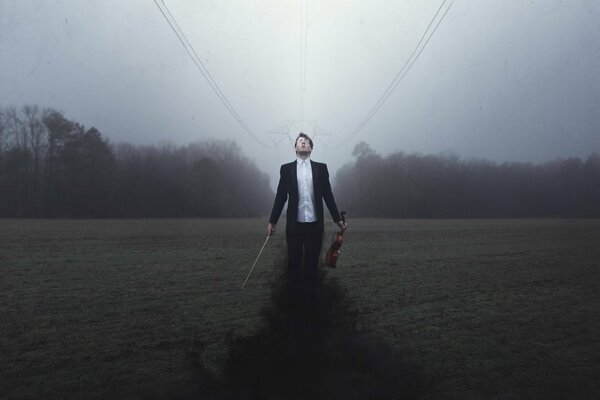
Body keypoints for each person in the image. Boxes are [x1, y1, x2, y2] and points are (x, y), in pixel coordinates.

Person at [267, 132, 345, 298]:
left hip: (315, 225)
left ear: (311, 148)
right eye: (300, 141)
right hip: (294, 226)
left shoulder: (321, 168)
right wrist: (272, 221)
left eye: (306, 141)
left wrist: (337, 218)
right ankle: (294, 300)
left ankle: (310, 299)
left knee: (311, 265)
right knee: (294, 264)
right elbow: (281, 196)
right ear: (295, 148)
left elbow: (328, 195)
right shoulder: (286, 169)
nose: (303, 143)